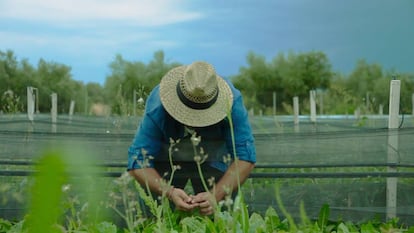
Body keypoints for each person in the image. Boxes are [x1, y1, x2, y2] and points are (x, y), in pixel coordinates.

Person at [127, 61, 256, 216]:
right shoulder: (159, 105)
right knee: (156, 214)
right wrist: (169, 192)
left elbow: (245, 157)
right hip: (166, 160)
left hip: (215, 159)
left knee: (221, 215)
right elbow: (138, 161)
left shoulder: (231, 102)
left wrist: (215, 195)